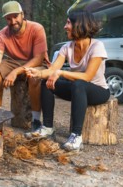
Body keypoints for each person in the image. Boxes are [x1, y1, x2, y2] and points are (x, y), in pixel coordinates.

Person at [24, 10, 110, 152]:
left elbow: (88, 77)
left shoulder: (97, 46)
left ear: (79, 24)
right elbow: (52, 70)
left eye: (68, 23)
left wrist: (62, 72)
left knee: (79, 84)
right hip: (77, 89)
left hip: (98, 90)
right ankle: (47, 127)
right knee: (47, 82)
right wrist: (38, 73)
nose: (65, 26)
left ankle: (76, 136)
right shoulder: (67, 47)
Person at [0, 0, 50, 131]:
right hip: (13, 62)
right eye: (8, 18)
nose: (13, 21)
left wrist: (16, 71)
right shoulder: (2, 34)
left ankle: (36, 120)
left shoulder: (36, 28)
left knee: (34, 77)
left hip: (35, 63)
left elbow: (39, 59)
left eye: (15, 16)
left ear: (22, 14)